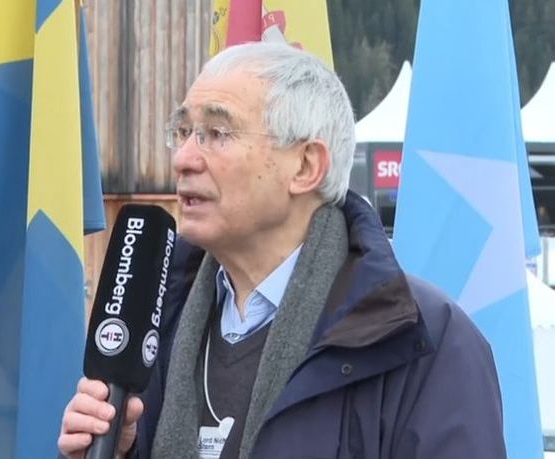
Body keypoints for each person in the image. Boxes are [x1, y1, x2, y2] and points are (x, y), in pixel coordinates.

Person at [58, 42, 506, 458]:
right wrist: (123, 452)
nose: (184, 159)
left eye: (217, 132)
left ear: (306, 166)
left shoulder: (422, 337)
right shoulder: (155, 319)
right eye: (184, 131)